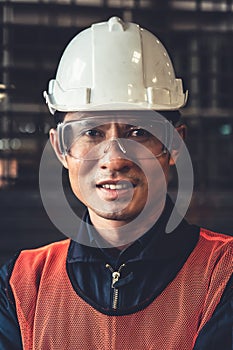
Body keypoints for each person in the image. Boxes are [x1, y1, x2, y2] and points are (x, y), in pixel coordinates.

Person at [0, 17, 232, 350]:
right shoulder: (21, 287)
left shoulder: (221, 274)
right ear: (61, 149)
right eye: (91, 132)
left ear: (174, 146)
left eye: (138, 132)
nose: (114, 159)